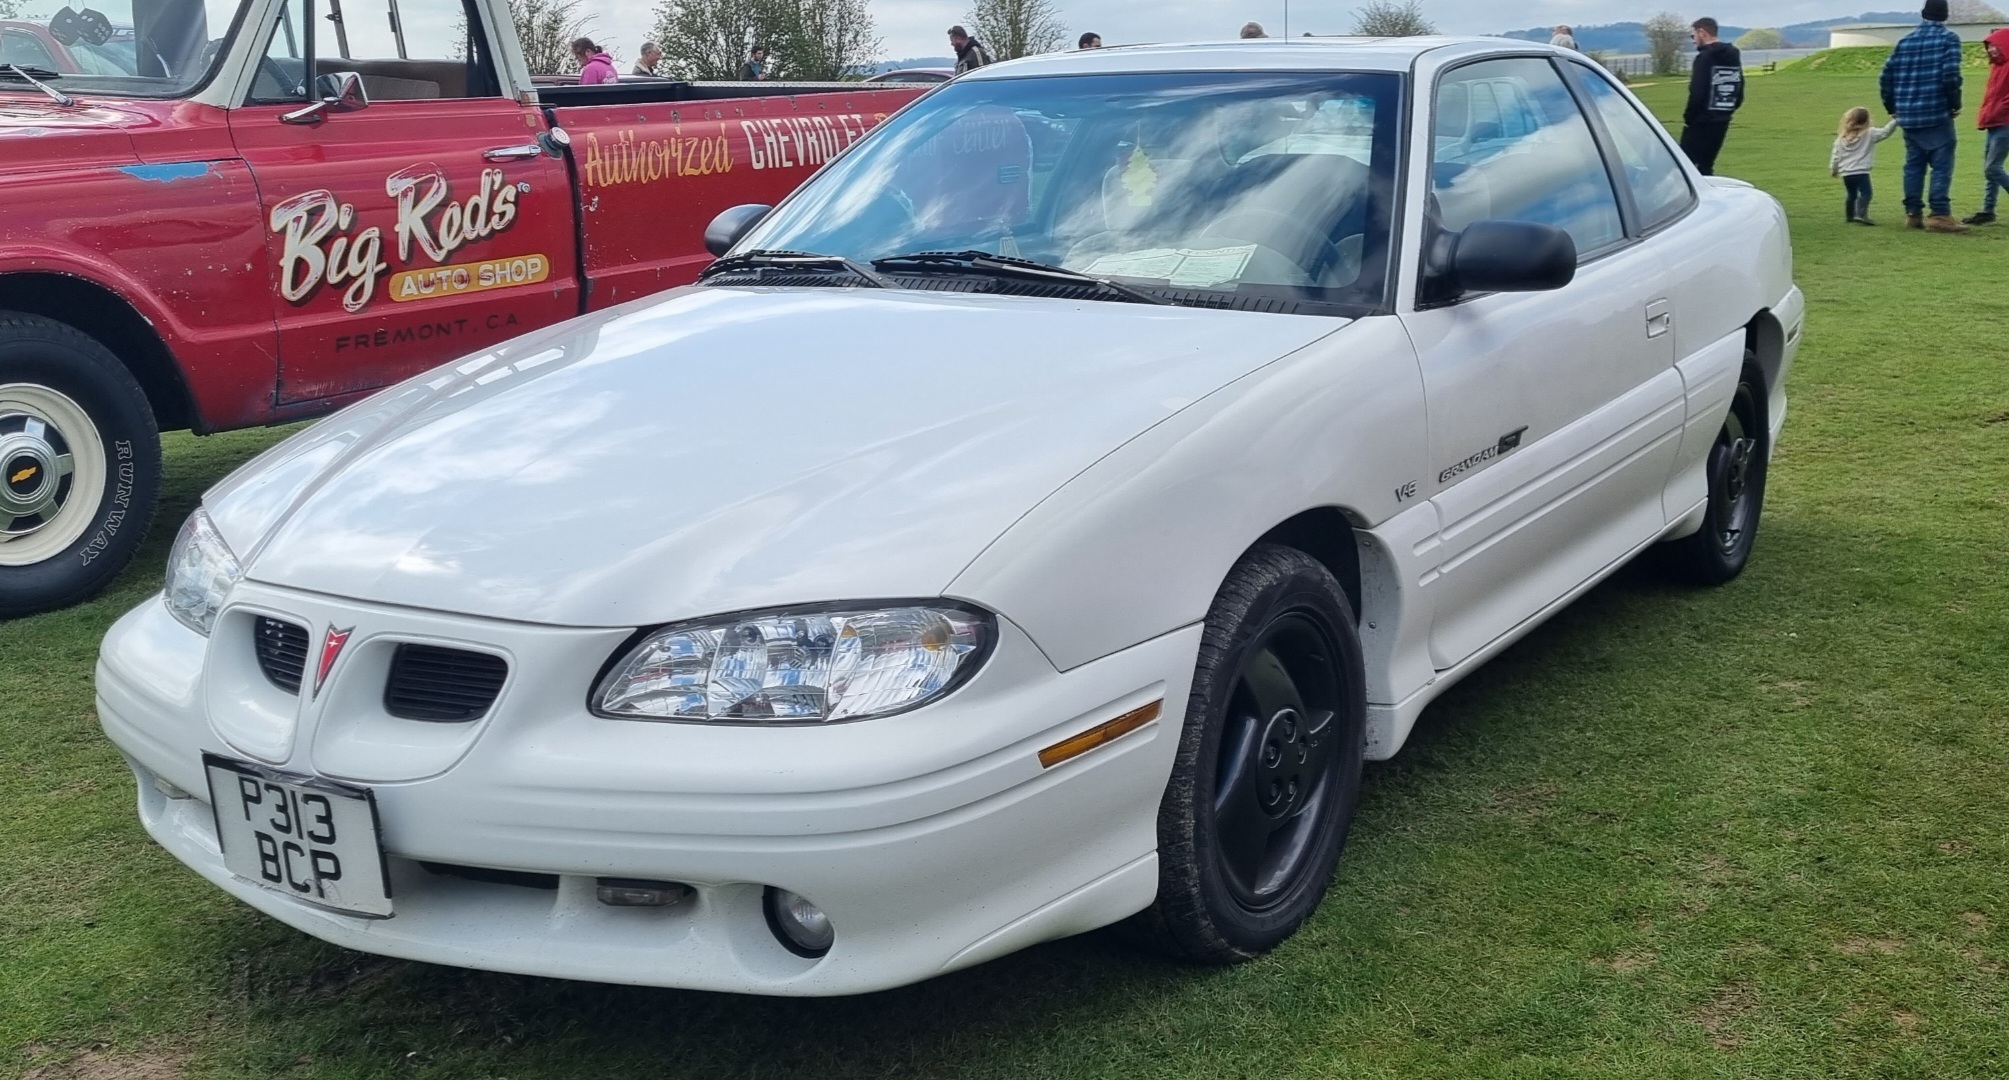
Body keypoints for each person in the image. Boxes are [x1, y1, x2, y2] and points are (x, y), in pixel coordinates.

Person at [1881, 0, 1968, 231]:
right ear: (1945, 16)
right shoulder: (1949, 39)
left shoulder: (1905, 41)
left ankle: (1913, 213)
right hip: (1936, 111)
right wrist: (1955, 103)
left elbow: (1886, 77)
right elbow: (1951, 74)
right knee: (1941, 164)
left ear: (1923, 14)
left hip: (1909, 115)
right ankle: (1939, 213)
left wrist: (1892, 107)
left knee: (1914, 165)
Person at [1679, 18, 1743, 175]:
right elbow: (1739, 87)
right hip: (1722, 120)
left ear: (1702, 32)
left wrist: (1689, 118)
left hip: (1701, 122)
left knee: (1685, 168)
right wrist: (1728, 110)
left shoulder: (1704, 58)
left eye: (1693, 35)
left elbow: (1697, 91)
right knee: (1706, 166)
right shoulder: (1733, 55)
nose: (1693, 40)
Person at [1962, 28, 2009, 225]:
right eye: (1988, 46)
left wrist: (2002, 108)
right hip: (1994, 123)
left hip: (2005, 123)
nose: (1990, 50)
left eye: (1994, 45)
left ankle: (1988, 210)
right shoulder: (1996, 67)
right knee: (1989, 169)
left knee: (1992, 168)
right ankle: (1988, 210)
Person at [1832, 107, 1902, 225]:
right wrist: (1896, 120)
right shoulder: (1869, 133)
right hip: (1861, 171)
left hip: (1846, 173)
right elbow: (1885, 132)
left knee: (1851, 194)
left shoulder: (1841, 139)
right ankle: (1860, 214)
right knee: (1866, 193)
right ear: (1866, 120)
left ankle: (1849, 217)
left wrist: (1834, 169)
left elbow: (1836, 156)